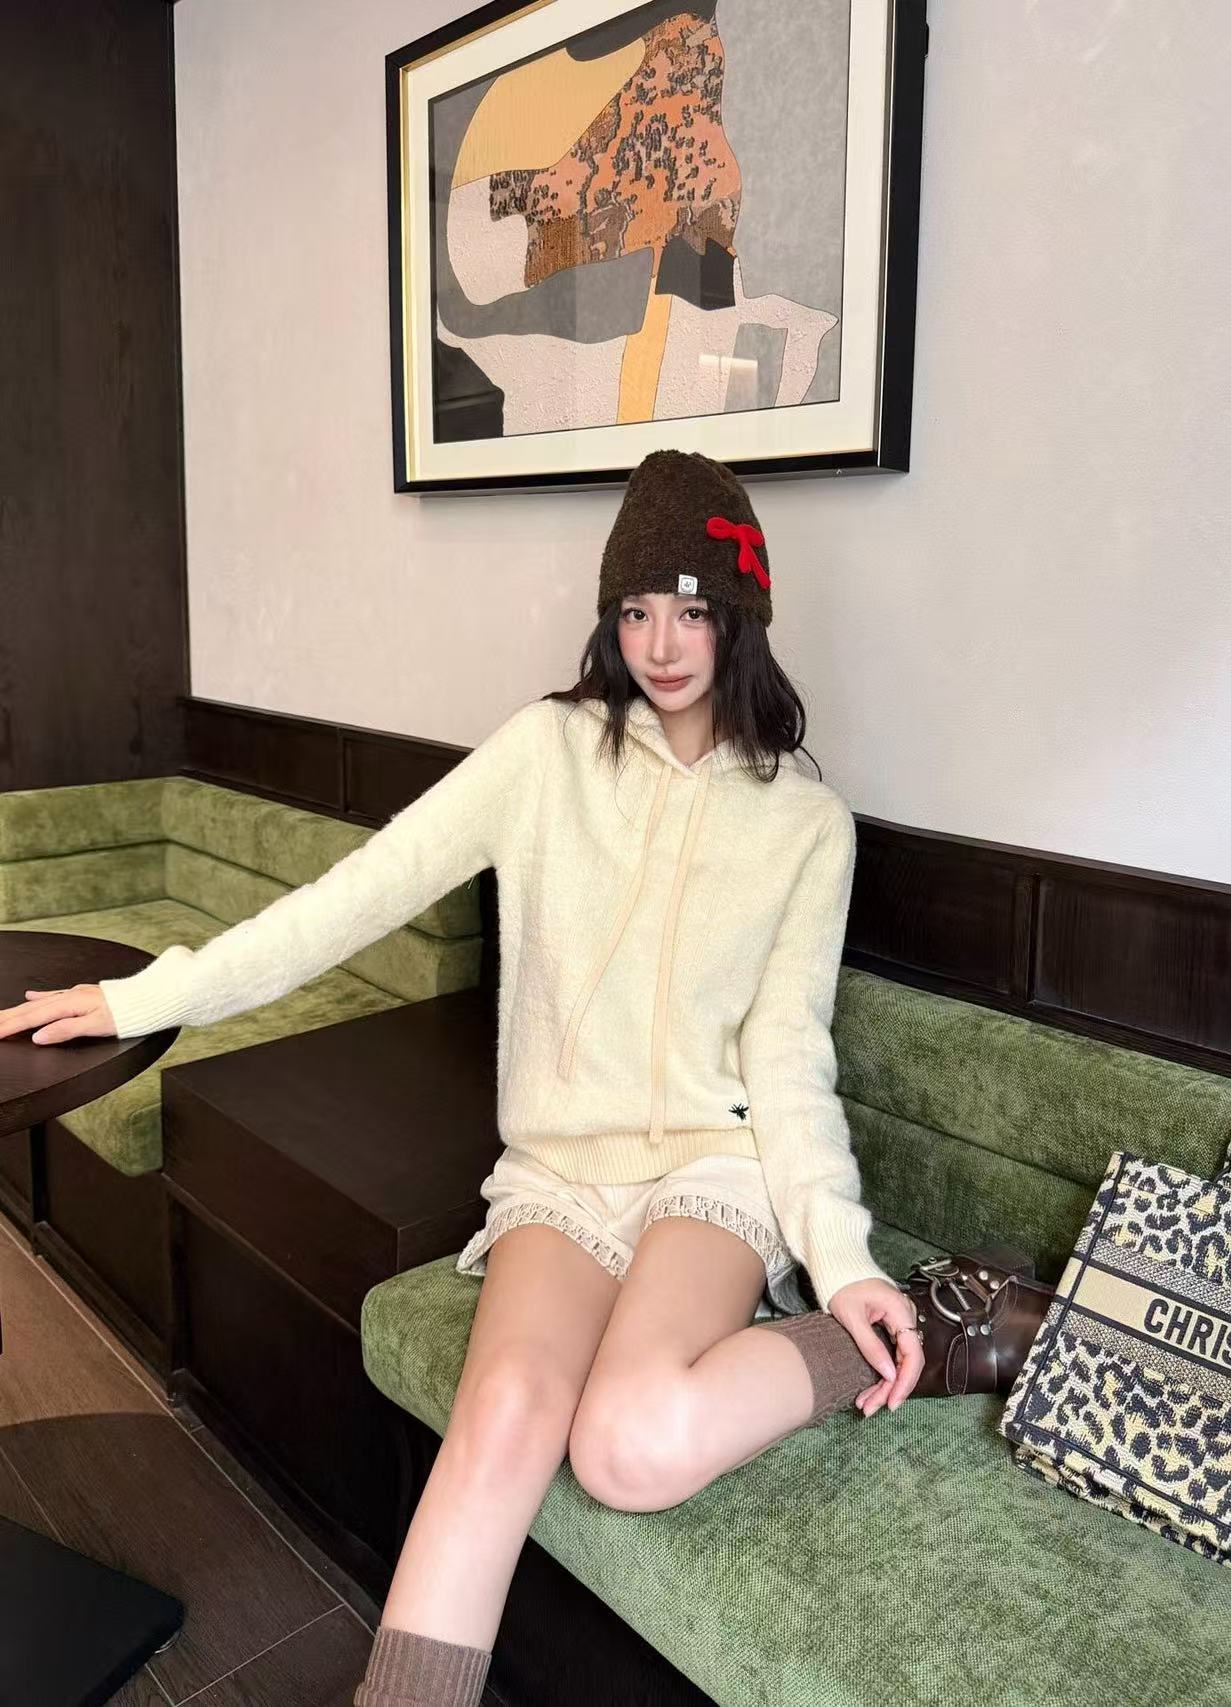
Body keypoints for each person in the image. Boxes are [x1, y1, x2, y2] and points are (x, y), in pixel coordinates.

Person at [0, 448, 924, 1707]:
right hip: (559, 1175)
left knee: (626, 1445)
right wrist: (141, 996)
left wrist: (846, 1262)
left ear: (740, 616)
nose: (659, 646)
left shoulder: (805, 825)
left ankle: (894, 1337)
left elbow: (787, 1059)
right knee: (499, 1419)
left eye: (690, 611)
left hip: (711, 1173)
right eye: (633, 612)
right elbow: (350, 900)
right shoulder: (545, 754)